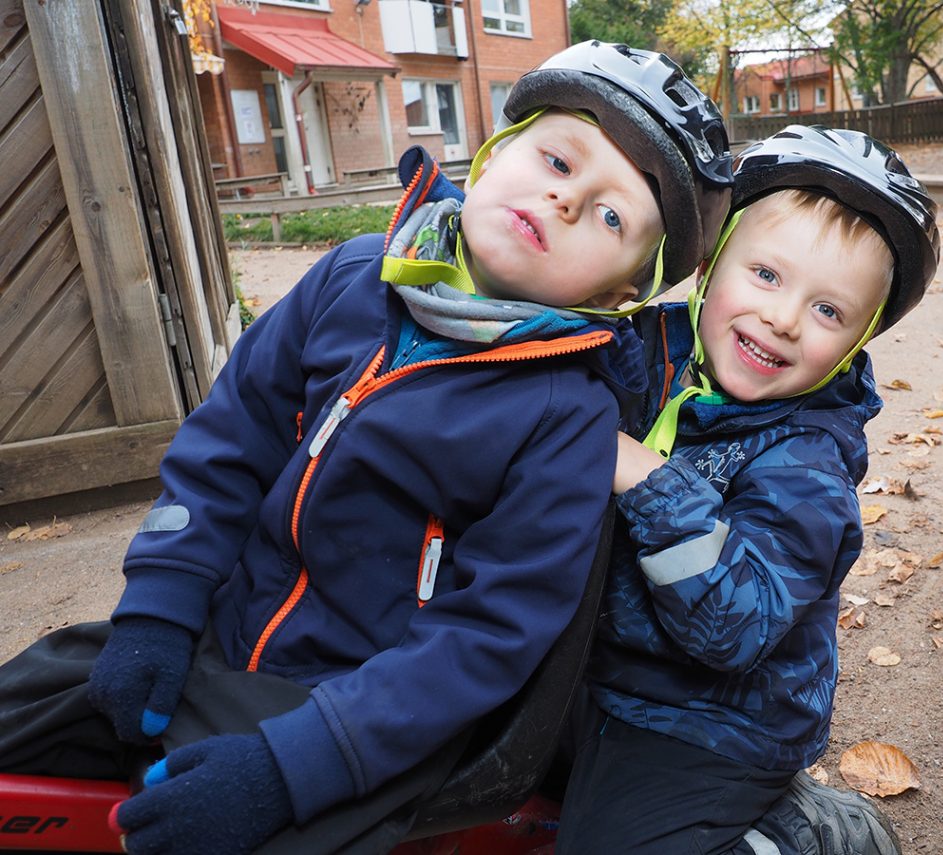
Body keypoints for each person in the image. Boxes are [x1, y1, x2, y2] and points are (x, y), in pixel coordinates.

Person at [0, 42, 732, 855]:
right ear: (493, 155)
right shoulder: (352, 277)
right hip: (221, 624)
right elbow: (229, 439)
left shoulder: (567, 414)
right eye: (557, 160)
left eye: (610, 217)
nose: (565, 197)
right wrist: (160, 608)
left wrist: (291, 766)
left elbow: (490, 632)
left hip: (356, 708)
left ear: (620, 292)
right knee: (30, 707)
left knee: (214, 826)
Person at [553, 125, 940, 854]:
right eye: (765, 274)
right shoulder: (648, 346)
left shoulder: (807, 467)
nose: (783, 318)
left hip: (713, 722)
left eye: (828, 311)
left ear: (855, 344)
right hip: (596, 669)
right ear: (709, 265)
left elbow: (732, 629)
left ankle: (806, 839)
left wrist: (646, 477)